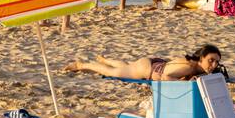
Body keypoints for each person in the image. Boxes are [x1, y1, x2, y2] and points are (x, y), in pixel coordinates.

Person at [64, 44, 224, 82]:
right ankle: (82, 65)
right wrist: (188, 84)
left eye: (216, 62)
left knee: (126, 66)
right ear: (201, 58)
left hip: (155, 63)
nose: (214, 65)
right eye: (211, 60)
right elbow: (167, 77)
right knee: (111, 72)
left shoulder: (195, 65)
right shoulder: (188, 66)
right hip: (147, 70)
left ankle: (107, 59)